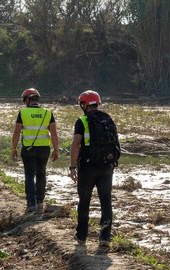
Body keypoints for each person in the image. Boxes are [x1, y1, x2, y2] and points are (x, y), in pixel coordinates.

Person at [69, 90, 120, 251]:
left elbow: (76, 144)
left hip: (88, 167)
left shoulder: (82, 121)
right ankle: (105, 237)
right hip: (107, 166)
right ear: (97, 103)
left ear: (84, 105)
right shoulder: (107, 118)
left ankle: (82, 235)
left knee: (84, 200)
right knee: (106, 201)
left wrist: (72, 166)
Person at [11, 88, 59, 212]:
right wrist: (56, 150)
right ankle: (40, 201)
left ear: (27, 100)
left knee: (29, 175)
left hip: (28, 149)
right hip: (44, 149)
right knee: (41, 174)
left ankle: (31, 204)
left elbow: (16, 132)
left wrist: (14, 148)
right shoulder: (48, 113)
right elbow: (54, 133)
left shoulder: (23, 113)